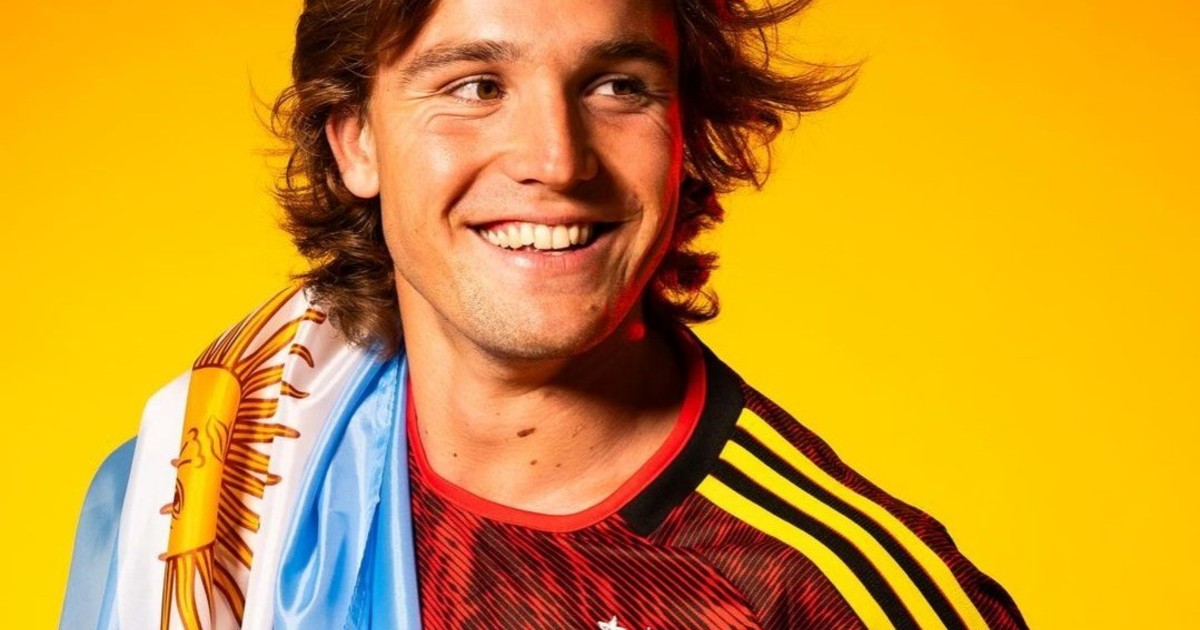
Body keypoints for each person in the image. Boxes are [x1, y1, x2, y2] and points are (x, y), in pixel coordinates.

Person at [62, 0, 1028, 628]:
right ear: (356, 142)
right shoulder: (198, 494)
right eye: (475, 87)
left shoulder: (823, 591)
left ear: (687, 132)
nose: (556, 160)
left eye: (617, 87)